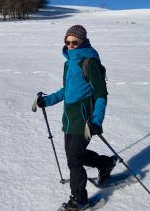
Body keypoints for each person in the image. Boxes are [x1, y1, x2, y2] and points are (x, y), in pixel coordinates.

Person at [36, 25, 117, 210]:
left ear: (82, 41)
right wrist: (47, 101)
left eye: (75, 42)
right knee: (75, 156)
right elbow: (66, 90)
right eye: (67, 42)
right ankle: (105, 163)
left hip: (85, 121)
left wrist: (97, 120)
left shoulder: (90, 62)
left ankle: (80, 200)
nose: (70, 45)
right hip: (69, 118)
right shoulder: (68, 64)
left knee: (74, 159)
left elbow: (101, 94)